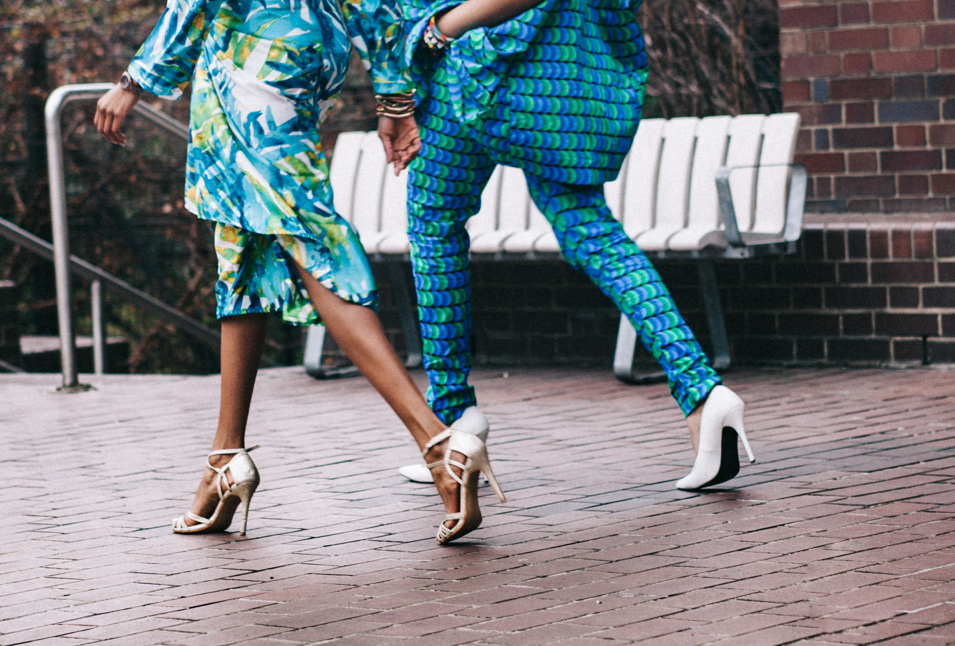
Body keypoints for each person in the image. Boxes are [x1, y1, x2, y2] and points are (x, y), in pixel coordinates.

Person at [93, 0, 504, 544]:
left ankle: (437, 444)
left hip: (252, 54)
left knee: (312, 243)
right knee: (244, 255)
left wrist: (132, 80)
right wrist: (396, 98)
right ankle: (225, 458)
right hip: (306, 48)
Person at [398, 0, 755, 490]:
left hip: (475, 68)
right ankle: (701, 393)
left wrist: (439, 29)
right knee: (593, 234)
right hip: (554, 80)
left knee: (435, 227)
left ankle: (452, 420)